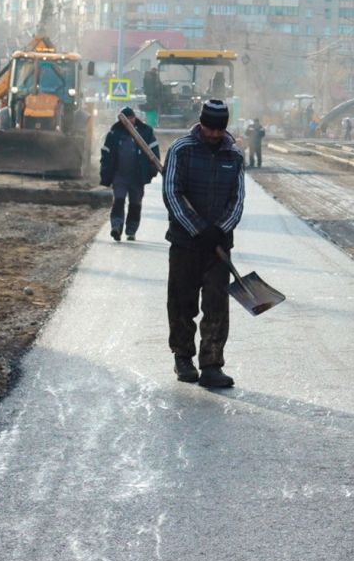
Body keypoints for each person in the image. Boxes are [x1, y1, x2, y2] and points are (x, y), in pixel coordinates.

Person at [162, 99, 247, 389]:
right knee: (182, 302)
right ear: (201, 123)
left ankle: (211, 364)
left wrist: (220, 229)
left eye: (219, 129)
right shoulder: (181, 150)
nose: (214, 134)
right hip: (185, 243)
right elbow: (172, 193)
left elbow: (237, 199)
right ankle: (183, 356)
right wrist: (198, 229)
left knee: (216, 305)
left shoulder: (234, 156)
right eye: (210, 128)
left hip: (218, 248)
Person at [99, 107, 159, 241]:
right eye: (126, 119)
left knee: (135, 203)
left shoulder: (146, 132)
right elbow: (106, 154)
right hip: (120, 175)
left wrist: (152, 170)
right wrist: (105, 172)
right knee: (118, 200)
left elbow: (154, 152)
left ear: (134, 118)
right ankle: (116, 226)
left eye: (131, 118)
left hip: (137, 177)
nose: (129, 121)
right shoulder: (114, 133)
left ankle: (131, 230)